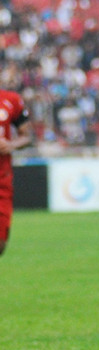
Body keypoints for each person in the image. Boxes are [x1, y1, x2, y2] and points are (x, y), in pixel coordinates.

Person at [0, 88, 31, 257]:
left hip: (2, 181)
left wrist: (11, 145)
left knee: (1, 244)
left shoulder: (11, 100)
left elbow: (26, 136)